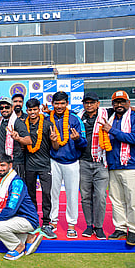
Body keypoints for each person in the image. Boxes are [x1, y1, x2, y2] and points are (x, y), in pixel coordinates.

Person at [100, 90, 135, 246]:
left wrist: (111, 130)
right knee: (116, 200)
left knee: (132, 200)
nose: (119, 105)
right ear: (112, 105)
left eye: (122, 102)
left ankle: (133, 230)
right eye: (116, 102)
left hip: (131, 165)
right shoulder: (111, 119)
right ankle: (120, 227)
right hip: (113, 165)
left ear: (128, 103)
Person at [0, 154, 42, 261]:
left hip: (27, 219)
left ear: (10, 165)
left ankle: (17, 247)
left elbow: (10, 210)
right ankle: (28, 238)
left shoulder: (16, 182)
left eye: (2, 165)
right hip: (15, 218)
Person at [48, 91, 87, 239]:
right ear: (52, 104)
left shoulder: (75, 119)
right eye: (56, 103)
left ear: (67, 104)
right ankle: (53, 222)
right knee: (53, 194)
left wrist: (77, 139)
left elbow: (84, 143)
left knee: (72, 195)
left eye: (62, 103)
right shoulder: (48, 118)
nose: (59, 106)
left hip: (72, 162)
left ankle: (71, 225)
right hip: (54, 161)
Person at [23, 98, 57, 239]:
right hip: (29, 164)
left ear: (39, 110)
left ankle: (47, 222)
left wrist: (54, 140)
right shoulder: (23, 125)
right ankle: (33, 220)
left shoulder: (48, 124)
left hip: (44, 164)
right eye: (30, 110)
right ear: (27, 111)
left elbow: (55, 147)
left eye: (35, 109)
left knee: (46, 194)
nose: (32, 112)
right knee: (30, 195)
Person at [78, 92, 110, 240]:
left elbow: (125, 111)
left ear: (98, 103)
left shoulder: (106, 115)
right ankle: (89, 225)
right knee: (85, 196)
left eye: (92, 102)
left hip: (101, 162)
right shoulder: (79, 117)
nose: (89, 105)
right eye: (86, 102)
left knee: (100, 197)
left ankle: (99, 226)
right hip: (83, 162)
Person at [0, 97, 32, 179]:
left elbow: (29, 141)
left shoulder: (18, 123)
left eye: (7, 107)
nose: (4, 110)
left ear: (12, 108)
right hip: (2, 163)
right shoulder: (0, 123)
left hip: (15, 162)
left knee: (16, 188)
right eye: (1, 108)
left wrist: (18, 139)